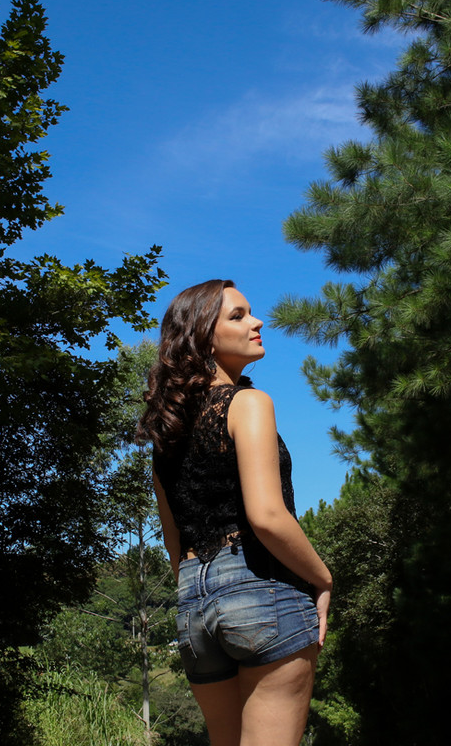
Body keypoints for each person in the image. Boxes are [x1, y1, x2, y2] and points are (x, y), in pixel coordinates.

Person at [138, 279, 333, 746]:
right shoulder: (249, 403)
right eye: (239, 315)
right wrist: (323, 578)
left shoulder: (166, 438)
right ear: (204, 338)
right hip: (262, 589)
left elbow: (174, 540)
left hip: (193, 606)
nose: (257, 321)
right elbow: (266, 515)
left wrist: (203, 596)